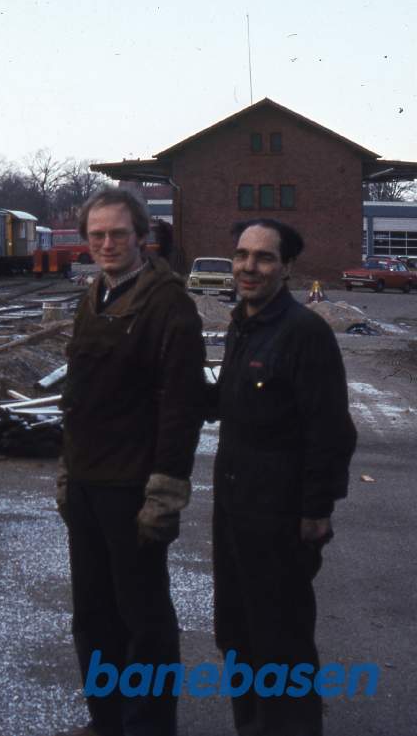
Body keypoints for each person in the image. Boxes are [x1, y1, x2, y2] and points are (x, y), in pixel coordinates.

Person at [55, 188, 205, 736]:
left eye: (118, 233)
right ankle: (108, 721)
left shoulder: (168, 305)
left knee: (144, 621)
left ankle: (148, 727)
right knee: (93, 617)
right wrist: (68, 471)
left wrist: (165, 492)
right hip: (90, 485)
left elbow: (182, 406)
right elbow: (80, 397)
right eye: (96, 235)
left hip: (134, 490)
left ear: (142, 235)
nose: (107, 244)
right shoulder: (93, 296)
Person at [209, 219, 355, 736]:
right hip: (233, 509)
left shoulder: (303, 333)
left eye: (264, 258)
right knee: (237, 632)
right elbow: (225, 401)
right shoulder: (241, 325)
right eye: (242, 255)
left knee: (282, 641)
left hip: (280, 516)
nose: (249, 267)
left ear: (287, 268)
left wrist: (316, 511)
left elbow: (332, 431)